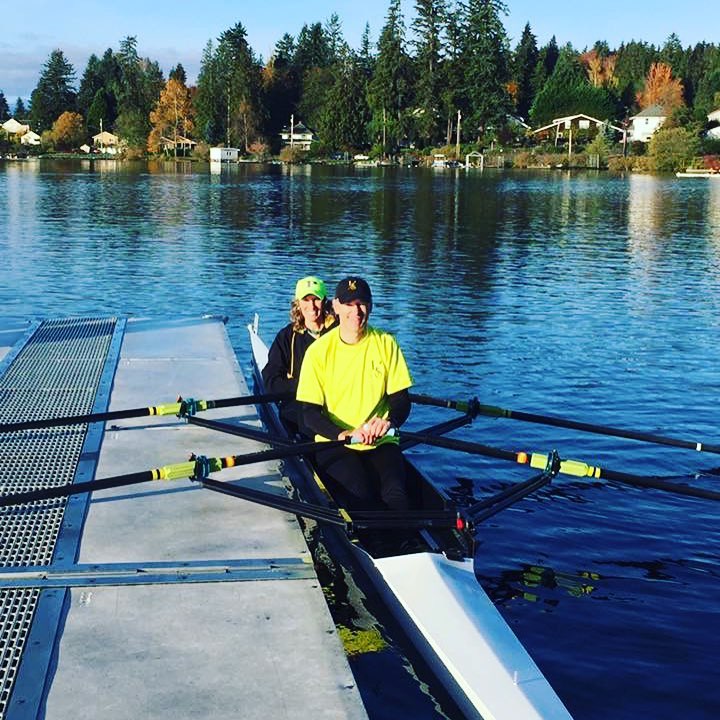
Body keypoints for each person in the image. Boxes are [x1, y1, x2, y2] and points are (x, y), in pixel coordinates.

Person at [296, 277, 413, 510]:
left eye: (361, 303)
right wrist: (344, 433)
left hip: (380, 441)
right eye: (349, 304)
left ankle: (401, 537)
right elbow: (309, 413)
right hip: (335, 442)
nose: (356, 311)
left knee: (397, 496)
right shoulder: (318, 352)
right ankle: (378, 537)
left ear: (370, 306)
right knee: (362, 495)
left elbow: (401, 400)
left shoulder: (387, 343)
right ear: (336, 307)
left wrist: (387, 422)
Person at [262, 276, 337, 435]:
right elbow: (270, 382)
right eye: (306, 299)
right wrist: (306, 386)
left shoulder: (340, 333)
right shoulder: (286, 337)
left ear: (324, 301)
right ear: (298, 303)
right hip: (299, 405)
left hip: (335, 404)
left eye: (316, 299)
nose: (311, 305)